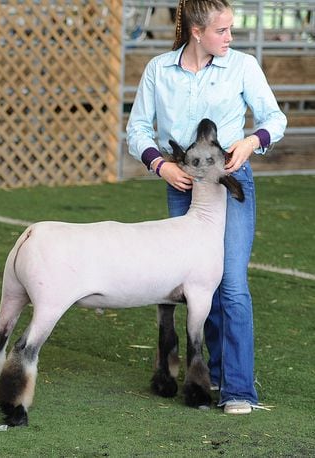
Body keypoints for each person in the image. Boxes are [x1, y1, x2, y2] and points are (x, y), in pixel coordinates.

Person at [126, 0, 286, 415]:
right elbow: (138, 128)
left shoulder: (243, 66)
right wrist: (159, 164)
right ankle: (211, 372)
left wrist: (253, 141)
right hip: (182, 184)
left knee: (230, 283)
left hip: (229, 184)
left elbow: (275, 118)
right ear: (197, 32)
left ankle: (238, 389)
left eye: (231, 30)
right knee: (199, 286)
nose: (230, 38)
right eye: (223, 31)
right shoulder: (159, 70)